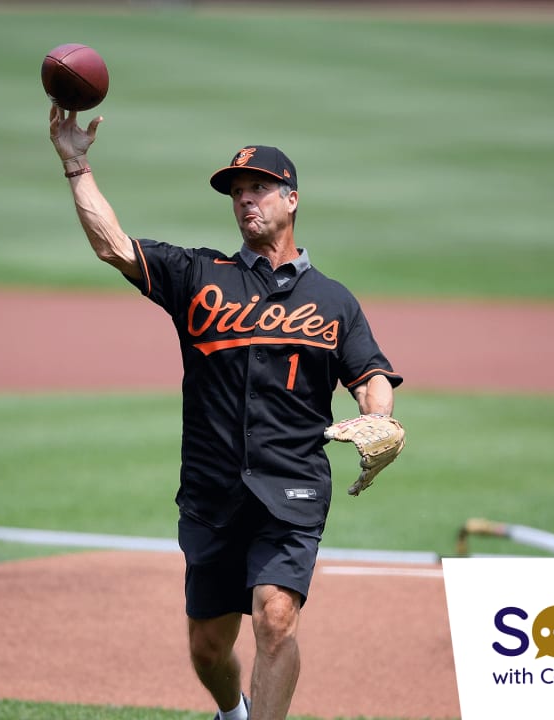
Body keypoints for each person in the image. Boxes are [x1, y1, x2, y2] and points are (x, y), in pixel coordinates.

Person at [47, 105, 405, 720]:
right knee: (208, 647)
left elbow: (370, 374)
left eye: (259, 189)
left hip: (291, 485)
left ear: (292, 198)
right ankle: (231, 712)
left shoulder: (333, 300)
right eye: (237, 193)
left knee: (275, 615)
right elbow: (112, 245)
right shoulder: (198, 276)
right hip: (211, 492)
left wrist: (381, 418)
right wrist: (76, 162)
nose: (245, 202)